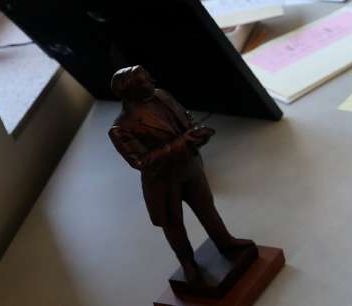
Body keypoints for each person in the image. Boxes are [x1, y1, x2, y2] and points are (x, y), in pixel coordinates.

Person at [107, 65, 255, 287]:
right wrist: (184, 142)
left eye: (149, 76)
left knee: (208, 209)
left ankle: (225, 243)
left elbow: (185, 116)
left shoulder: (163, 95)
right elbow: (141, 162)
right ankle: (188, 263)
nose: (152, 81)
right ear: (130, 91)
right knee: (174, 225)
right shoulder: (121, 127)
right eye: (145, 80)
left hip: (190, 169)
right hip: (163, 183)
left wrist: (197, 131)